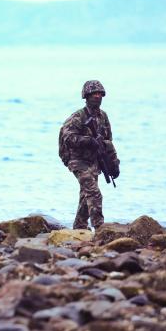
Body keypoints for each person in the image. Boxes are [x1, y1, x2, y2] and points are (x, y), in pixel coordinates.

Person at [59, 80, 120, 230]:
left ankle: (79, 227)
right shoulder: (77, 117)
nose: (97, 97)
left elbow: (108, 142)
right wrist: (88, 141)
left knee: (85, 195)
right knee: (94, 194)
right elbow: (68, 138)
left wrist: (114, 164)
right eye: (94, 94)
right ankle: (100, 229)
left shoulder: (103, 117)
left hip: (94, 160)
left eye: (100, 94)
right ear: (86, 96)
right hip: (77, 160)